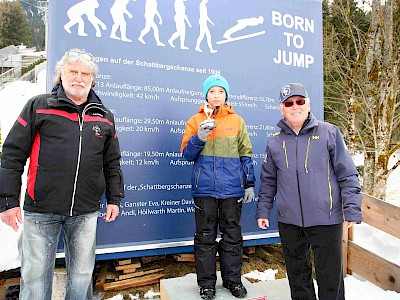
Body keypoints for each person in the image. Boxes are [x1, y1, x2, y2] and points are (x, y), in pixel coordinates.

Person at [0, 49, 124, 300]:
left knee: (81, 275)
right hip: (41, 209)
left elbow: (112, 162)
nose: (79, 78)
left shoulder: (105, 118)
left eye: (85, 73)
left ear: (93, 79)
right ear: (61, 75)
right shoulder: (39, 106)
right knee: (35, 278)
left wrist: (114, 198)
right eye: (73, 72)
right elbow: (12, 153)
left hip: (85, 211)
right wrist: (7, 201)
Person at [256, 83, 362, 300]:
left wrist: (352, 208)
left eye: (300, 101)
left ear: (308, 104)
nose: (295, 107)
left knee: (330, 278)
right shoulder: (275, 142)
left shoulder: (329, 133)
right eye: (289, 103)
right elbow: (268, 181)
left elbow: (348, 174)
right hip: (290, 222)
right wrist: (263, 211)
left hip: (327, 218)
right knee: (297, 278)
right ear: (282, 109)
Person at [180, 74, 255, 299]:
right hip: (204, 190)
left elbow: (246, 155)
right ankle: (207, 285)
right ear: (206, 95)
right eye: (212, 91)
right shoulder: (195, 120)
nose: (216, 95)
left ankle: (233, 281)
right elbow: (186, 155)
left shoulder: (237, 121)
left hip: (232, 190)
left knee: (232, 237)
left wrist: (249, 183)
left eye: (221, 91)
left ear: (226, 95)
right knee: (205, 237)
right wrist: (199, 137)